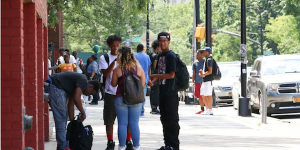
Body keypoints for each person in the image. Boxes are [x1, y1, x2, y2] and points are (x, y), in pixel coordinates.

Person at [44, 71, 100, 150]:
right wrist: (83, 114)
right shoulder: (83, 80)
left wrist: (72, 120)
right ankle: (63, 147)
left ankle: (62, 145)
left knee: (63, 116)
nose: (88, 95)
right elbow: (77, 99)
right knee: (61, 118)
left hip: (53, 86)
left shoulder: (76, 85)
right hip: (54, 86)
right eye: (91, 93)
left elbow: (71, 103)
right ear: (90, 86)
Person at [99, 35, 133, 150]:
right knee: (109, 118)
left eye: (117, 45)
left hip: (125, 92)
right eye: (113, 46)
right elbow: (105, 74)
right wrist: (114, 62)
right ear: (109, 46)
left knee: (126, 119)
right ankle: (110, 141)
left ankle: (128, 140)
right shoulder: (105, 58)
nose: (115, 48)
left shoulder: (126, 57)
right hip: (110, 93)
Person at [148, 32, 180, 150]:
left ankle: (174, 146)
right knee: (164, 120)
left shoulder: (171, 56)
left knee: (171, 121)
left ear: (169, 42)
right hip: (162, 92)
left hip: (171, 93)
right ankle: (168, 145)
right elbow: (161, 75)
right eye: (160, 41)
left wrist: (155, 75)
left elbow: (171, 75)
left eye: (164, 41)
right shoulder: (160, 56)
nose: (162, 43)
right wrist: (154, 82)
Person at [111, 46, 145, 150]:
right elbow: (143, 84)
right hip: (135, 100)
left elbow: (113, 84)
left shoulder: (117, 70)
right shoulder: (139, 69)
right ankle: (136, 146)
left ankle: (121, 146)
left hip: (120, 98)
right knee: (134, 123)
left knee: (122, 123)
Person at [134, 44, 151, 116]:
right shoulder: (147, 56)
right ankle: (141, 110)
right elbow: (149, 68)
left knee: (135, 93)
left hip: (135, 77)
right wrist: (149, 78)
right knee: (143, 94)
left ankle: (135, 109)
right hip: (145, 78)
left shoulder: (134, 56)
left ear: (137, 49)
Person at [199, 47, 214, 115]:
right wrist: (202, 73)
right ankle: (207, 108)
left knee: (208, 95)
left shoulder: (209, 60)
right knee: (203, 94)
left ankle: (210, 109)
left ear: (207, 52)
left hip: (208, 80)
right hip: (205, 80)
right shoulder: (206, 60)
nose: (203, 53)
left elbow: (210, 71)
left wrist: (203, 74)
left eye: (204, 51)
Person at [149, 40, 161, 114]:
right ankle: (154, 107)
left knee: (153, 91)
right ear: (157, 47)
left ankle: (154, 106)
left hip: (152, 75)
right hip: (155, 76)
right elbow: (155, 66)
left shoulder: (151, 54)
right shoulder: (155, 55)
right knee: (156, 92)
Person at [193, 50, 205, 114]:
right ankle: (202, 109)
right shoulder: (195, 63)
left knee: (204, 95)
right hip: (197, 82)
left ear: (202, 54)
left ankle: (208, 108)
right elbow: (194, 73)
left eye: (198, 53)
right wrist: (193, 82)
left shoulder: (205, 62)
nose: (197, 54)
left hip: (204, 81)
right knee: (200, 96)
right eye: (196, 53)